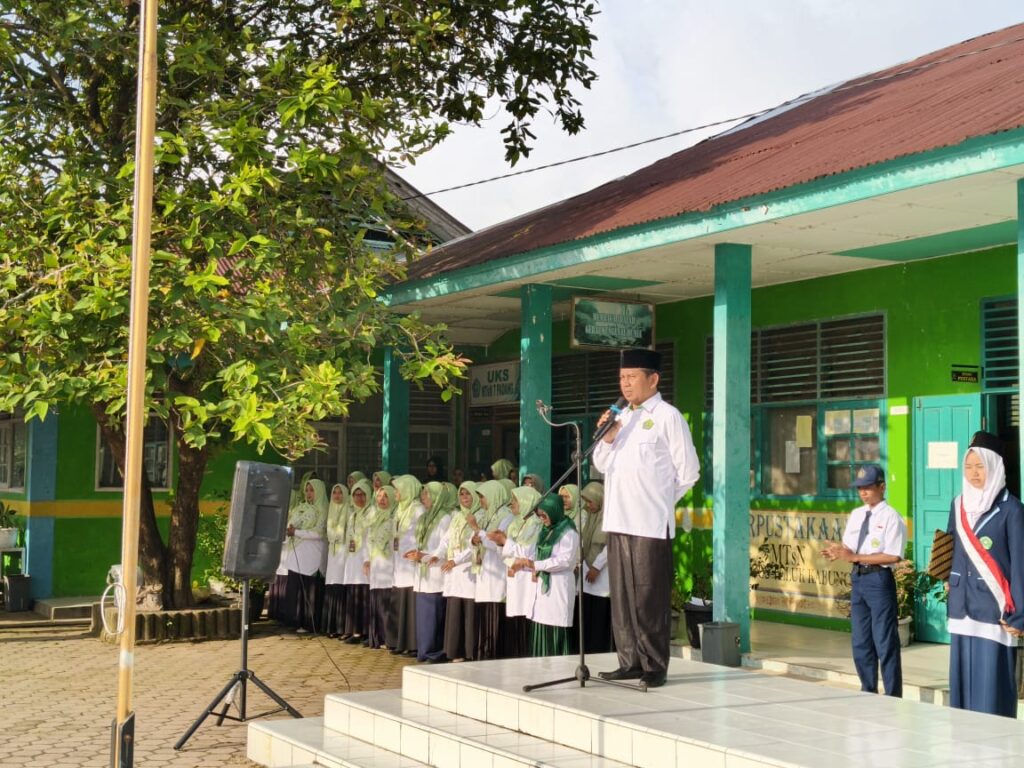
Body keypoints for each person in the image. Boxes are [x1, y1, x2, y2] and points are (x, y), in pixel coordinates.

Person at [592, 348, 700, 688]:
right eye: (622, 378)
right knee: (622, 597)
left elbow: (689, 472)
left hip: (650, 524)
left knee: (648, 598)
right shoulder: (622, 418)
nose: (625, 384)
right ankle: (630, 662)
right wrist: (608, 438)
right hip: (617, 521)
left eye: (632, 377)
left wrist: (659, 504)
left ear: (653, 379)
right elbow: (600, 464)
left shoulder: (669, 417)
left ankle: (654, 665)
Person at [945, 431, 1024, 717]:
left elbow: (1020, 564)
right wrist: (946, 582)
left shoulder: (1012, 509)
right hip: (961, 606)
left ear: (995, 466)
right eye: (968, 466)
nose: (973, 473)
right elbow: (950, 548)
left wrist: (1020, 615)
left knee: (991, 689)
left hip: (995, 610)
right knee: (961, 689)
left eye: (980, 466)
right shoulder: (958, 505)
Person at [822, 465, 906, 697]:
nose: (863, 493)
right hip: (858, 578)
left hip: (879, 579)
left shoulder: (891, 517)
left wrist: (855, 557)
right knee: (860, 640)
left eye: (868, 487)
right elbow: (851, 547)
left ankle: (893, 694)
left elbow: (893, 556)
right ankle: (867, 690)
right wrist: (839, 551)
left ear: (882, 487)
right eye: (860, 488)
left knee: (884, 640)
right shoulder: (857, 514)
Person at [512, 495, 580, 656]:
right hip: (543, 587)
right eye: (539, 515)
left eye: (544, 515)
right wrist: (526, 563)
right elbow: (535, 553)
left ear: (554, 511)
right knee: (541, 624)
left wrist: (536, 565)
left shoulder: (568, 532)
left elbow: (564, 560)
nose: (542, 519)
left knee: (555, 628)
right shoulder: (546, 531)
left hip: (558, 587)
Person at [494, 485, 543, 657]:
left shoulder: (536, 524)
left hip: (527, 577)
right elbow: (505, 553)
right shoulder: (515, 523)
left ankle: (525, 655)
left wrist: (505, 542)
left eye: (515, 500)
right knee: (515, 617)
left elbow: (528, 552)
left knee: (526, 615)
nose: (512, 504)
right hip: (514, 575)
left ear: (525, 501)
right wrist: (501, 544)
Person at [469, 480, 513, 659]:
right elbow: (483, 539)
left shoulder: (506, 517)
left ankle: (493, 653)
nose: (481, 501)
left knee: (494, 613)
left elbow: (497, 544)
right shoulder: (489, 515)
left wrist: (477, 530)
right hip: (485, 570)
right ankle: (484, 652)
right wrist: (475, 539)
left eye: (483, 497)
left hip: (497, 572)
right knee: (484, 612)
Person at [410, 482, 453, 662]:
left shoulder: (444, 518)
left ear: (436, 496)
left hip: (435, 572)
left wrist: (425, 556)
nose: (423, 498)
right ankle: (423, 651)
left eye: (427, 494)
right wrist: (416, 554)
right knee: (424, 617)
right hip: (422, 572)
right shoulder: (425, 517)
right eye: (423, 494)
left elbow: (444, 546)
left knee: (434, 616)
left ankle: (434, 652)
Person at [279, 478, 328, 634]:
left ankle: (309, 623)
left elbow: (319, 533)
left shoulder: (323, 510)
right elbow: (290, 526)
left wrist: (297, 532)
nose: (308, 493)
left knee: (309, 588)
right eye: (307, 490)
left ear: (319, 491)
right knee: (295, 588)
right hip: (296, 554)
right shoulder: (300, 508)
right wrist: (290, 530)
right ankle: (295, 621)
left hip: (312, 555)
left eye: (312, 490)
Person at [439, 481, 480, 661]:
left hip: (469, 568)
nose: (464, 497)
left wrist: (455, 561)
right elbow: (445, 540)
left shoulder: (479, 515)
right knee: (456, 610)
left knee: (469, 612)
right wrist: (434, 555)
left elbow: (474, 544)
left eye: (468, 493)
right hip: (454, 569)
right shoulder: (457, 516)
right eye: (461, 494)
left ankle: (469, 652)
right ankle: (455, 651)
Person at [388, 474, 423, 656]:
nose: (395, 493)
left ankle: (412, 644)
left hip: (410, 562)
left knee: (409, 604)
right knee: (399, 601)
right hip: (399, 562)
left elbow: (421, 535)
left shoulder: (418, 509)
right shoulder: (399, 509)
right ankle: (399, 642)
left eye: (398, 489)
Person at [580, 481, 613, 653]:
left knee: (600, 615)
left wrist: (596, 567)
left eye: (590, 501)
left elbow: (610, 546)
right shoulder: (590, 518)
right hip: (587, 573)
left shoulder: (609, 518)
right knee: (589, 615)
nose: (588, 505)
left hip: (603, 576)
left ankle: (600, 650)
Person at [365, 485, 398, 649]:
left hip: (388, 565)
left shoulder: (394, 518)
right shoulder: (374, 518)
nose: (382, 500)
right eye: (379, 496)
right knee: (377, 601)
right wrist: (367, 560)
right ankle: (377, 637)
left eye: (385, 496)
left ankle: (388, 638)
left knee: (386, 602)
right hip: (375, 565)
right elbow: (368, 541)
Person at [340, 478, 373, 644]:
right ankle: (355, 630)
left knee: (364, 595)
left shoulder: (371, 513)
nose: (359, 498)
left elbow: (370, 539)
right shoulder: (352, 515)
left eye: (362, 495)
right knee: (354, 595)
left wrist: (368, 559)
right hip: (353, 560)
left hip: (364, 559)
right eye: (356, 495)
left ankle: (366, 632)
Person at [322, 483, 350, 637]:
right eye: (334, 492)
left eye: (340, 493)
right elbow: (329, 533)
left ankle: (341, 627)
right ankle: (330, 627)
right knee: (332, 586)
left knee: (340, 587)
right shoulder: (331, 510)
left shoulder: (349, 509)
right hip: (332, 553)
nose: (337, 495)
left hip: (343, 552)